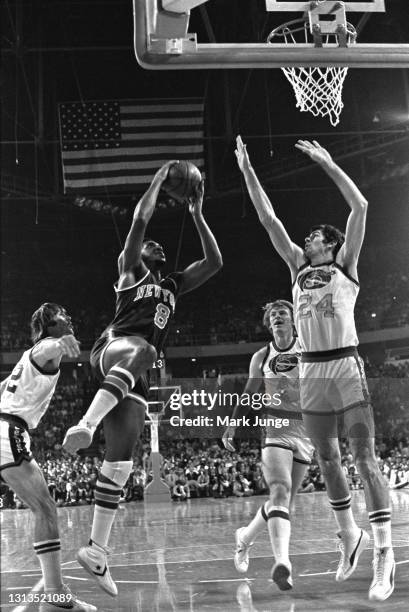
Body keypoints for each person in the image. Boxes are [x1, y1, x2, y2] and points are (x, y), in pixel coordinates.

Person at [235, 135, 395, 602]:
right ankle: (350, 536)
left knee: (364, 459)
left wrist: (327, 163)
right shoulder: (296, 269)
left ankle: (384, 553)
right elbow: (268, 219)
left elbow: (361, 206)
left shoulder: (346, 265)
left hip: (345, 367)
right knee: (327, 460)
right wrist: (247, 172)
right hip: (311, 373)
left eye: (314, 237)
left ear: (332, 244)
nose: (307, 239)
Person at [62, 161, 222, 596]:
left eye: (159, 246)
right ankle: (86, 423)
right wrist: (159, 178)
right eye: (151, 245)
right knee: (147, 350)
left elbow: (215, 261)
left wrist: (197, 212)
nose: (156, 246)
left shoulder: (173, 282)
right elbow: (138, 220)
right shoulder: (130, 272)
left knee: (121, 461)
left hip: (135, 374)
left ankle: (96, 551)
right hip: (114, 347)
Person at [0, 303, 96, 612]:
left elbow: (3, 387)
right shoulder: (44, 348)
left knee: (45, 509)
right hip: (8, 432)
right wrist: (59, 343)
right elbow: (47, 349)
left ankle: (56, 595)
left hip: (7, 428)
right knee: (45, 509)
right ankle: (56, 597)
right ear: (48, 325)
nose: (68, 319)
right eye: (61, 317)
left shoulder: (26, 361)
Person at [222, 300, 313, 590]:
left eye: (282, 313)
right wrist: (233, 423)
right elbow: (249, 393)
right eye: (273, 315)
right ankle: (282, 562)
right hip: (276, 427)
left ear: (293, 320)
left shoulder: (309, 347)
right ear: (268, 323)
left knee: (283, 502)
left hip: (308, 429)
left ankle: (245, 537)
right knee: (279, 490)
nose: (277, 317)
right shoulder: (262, 356)